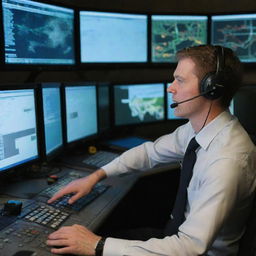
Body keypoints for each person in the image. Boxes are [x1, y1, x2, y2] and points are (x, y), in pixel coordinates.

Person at [46, 45, 256, 256]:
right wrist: (96, 176)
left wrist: (96, 245)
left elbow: (190, 247)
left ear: (211, 88)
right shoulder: (198, 130)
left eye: (180, 80)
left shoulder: (226, 161)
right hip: (174, 238)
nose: (170, 88)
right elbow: (149, 153)